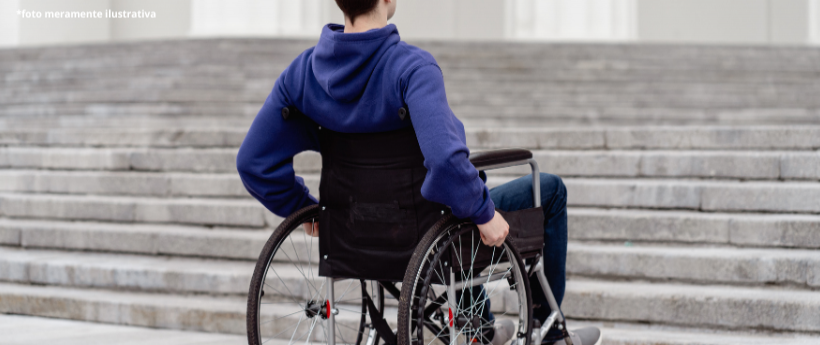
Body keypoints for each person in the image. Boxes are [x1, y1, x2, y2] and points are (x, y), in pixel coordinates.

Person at [236, 1, 601, 344]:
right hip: (427, 230)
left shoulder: (302, 73)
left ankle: (482, 327)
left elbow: (253, 162)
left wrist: (305, 210)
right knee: (545, 190)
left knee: (457, 197)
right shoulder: (412, 68)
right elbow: (445, 163)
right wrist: (484, 213)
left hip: (351, 232)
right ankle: (547, 330)